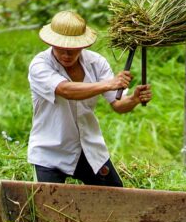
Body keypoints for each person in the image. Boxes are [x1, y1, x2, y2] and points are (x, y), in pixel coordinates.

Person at [27, 10, 152, 187]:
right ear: (51, 43)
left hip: (88, 148)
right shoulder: (40, 65)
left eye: (72, 50)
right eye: (61, 49)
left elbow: (118, 104)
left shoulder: (96, 63)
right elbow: (66, 89)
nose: (66, 55)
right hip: (50, 151)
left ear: (82, 45)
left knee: (116, 197)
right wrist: (109, 84)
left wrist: (134, 99)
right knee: (48, 208)